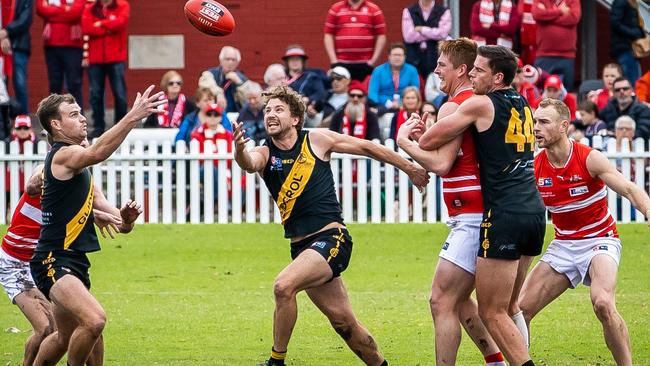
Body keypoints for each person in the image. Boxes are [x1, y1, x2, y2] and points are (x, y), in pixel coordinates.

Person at [232, 85, 429, 366]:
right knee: (343, 322)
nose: (270, 115)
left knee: (283, 286)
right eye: (267, 111)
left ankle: (276, 361)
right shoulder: (265, 153)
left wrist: (409, 168)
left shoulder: (317, 140)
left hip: (332, 239)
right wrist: (240, 149)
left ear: (296, 118)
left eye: (278, 109)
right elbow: (249, 163)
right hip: (302, 249)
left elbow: (367, 146)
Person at [415, 45, 545, 366]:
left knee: (491, 310)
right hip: (534, 210)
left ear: (497, 76)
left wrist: (407, 140)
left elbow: (430, 144)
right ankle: (500, 361)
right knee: (507, 307)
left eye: (479, 70)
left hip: (502, 211)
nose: (473, 75)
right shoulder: (524, 104)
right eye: (471, 69)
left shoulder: (479, 103)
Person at [28, 87, 162, 366]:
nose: (83, 119)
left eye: (81, 113)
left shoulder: (83, 173)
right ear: (56, 125)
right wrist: (133, 117)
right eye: (74, 115)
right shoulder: (63, 155)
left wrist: (126, 218)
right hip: (52, 259)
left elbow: (121, 227)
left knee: (66, 338)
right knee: (94, 320)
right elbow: (99, 151)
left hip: (75, 262)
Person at [395, 37, 506, 366]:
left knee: (440, 300)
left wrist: (404, 141)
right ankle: (496, 360)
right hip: (483, 212)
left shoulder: (454, 105)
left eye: (441, 65)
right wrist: (427, 139)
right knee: (459, 301)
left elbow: (441, 165)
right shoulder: (478, 101)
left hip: (472, 216)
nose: (435, 71)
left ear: (460, 69)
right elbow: (455, 155)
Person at [519, 98, 650, 366]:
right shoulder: (535, 166)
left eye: (544, 122)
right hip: (564, 244)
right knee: (520, 311)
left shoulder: (588, 158)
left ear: (564, 126)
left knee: (602, 302)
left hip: (600, 241)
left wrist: (648, 210)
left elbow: (629, 188)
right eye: (535, 122)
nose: (536, 128)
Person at [1, 163, 140, 366]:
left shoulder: (87, 184)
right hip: (18, 262)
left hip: (54, 260)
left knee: (88, 323)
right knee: (47, 329)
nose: (84, 145)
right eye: (79, 142)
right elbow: (32, 187)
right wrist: (50, 171)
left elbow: (121, 224)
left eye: (86, 142)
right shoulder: (46, 169)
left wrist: (127, 220)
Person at [82, 0, 130, 138]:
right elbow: (87, 28)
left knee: (120, 94)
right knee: (95, 94)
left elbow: (121, 23)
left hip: (116, 57)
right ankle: (98, 126)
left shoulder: (122, 5)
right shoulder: (90, 8)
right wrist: (109, 28)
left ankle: (120, 126)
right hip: (95, 58)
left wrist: (101, 24)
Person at [36, 0, 85, 110]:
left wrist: (53, 12)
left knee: (74, 84)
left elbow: (75, 13)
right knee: (54, 85)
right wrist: (65, 9)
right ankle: (53, 117)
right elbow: (41, 9)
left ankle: (78, 117)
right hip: (52, 45)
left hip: (73, 46)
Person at [323, 0, 387, 82]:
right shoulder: (335, 9)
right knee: (341, 93)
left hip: (365, 64)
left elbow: (381, 36)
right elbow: (328, 35)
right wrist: (334, 61)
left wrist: (372, 62)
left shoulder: (374, 10)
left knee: (362, 93)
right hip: (341, 63)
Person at [532, 0, 581, 91]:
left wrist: (547, 17)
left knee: (565, 93)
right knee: (541, 92)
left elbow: (574, 18)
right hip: (544, 55)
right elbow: (537, 14)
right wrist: (560, 11)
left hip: (567, 56)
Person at [401, 0, 451, 77]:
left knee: (435, 86)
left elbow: (443, 34)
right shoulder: (408, 11)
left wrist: (422, 29)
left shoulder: (444, 11)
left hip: (436, 57)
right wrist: (433, 34)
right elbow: (408, 37)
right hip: (414, 57)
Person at [0, 0, 32, 114]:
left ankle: (23, 124)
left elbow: (25, 19)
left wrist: (6, 32)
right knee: (1, 86)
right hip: (1, 44)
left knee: (20, 84)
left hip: (19, 45)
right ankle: (4, 124)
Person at [368, 43, 420, 113]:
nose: (397, 57)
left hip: (405, 106)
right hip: (382, 106)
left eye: (400, 55)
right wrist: (388, 102)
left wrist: (400, 103)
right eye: (395, 55)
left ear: (404, 57)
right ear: (389, 56)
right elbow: (372, 93)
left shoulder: (412, 70)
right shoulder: (378, 70)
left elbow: (415, 91)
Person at [610, 0, 645, 85]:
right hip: (625, 47)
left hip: (629, 47)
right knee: (632, 82)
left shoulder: (632, 3)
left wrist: (639, 33)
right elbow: (615, 23)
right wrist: (634, 33)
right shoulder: (621, 2)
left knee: (634, 80)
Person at [206, 45, 249, 113]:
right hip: (214, 114)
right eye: (227, 59)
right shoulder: (210, 74)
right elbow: (206, 84)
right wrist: (219, 93)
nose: (230, 62)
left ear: (237, 63)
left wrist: (239, 83)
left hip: (237, 115)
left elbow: (249, 100)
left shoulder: (242, 78)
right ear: (221, 60)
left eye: (233, 60)